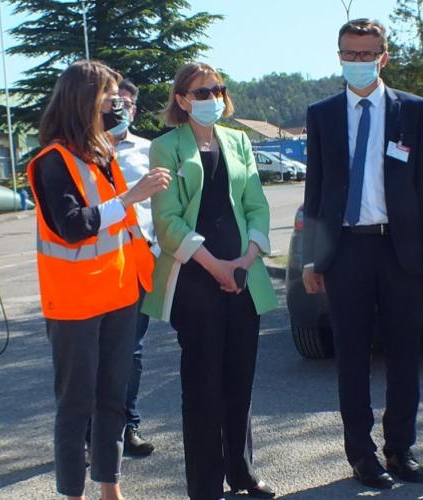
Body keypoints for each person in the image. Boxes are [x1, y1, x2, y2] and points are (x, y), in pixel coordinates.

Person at [300, 18, 423, 489]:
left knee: (405, 354)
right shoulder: (322, 114)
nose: (359, 62)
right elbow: (317, 189)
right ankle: (362, 456)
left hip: (399, 251)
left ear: (383, 57)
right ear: (339, 55)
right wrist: (313, 257)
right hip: (346, 252)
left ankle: (400, 449)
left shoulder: (412, 110)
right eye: (351, 53)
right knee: (351, 356)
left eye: (368, 54)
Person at [26, 60, 169, 500]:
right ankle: (73, 493)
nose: (117, 103)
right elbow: (72, 225)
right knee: (76, 405)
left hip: (121, 293)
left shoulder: (103, 154)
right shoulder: (53, 161)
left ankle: (110, 486)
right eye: (108, 96)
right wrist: (130, 196)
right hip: (74, 304)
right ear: (84, 101)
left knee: (113, 399)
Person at [142, 62, 278, 500]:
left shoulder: (239, 140)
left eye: (217, 89)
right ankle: (205, 486)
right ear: (181, 100)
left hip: (243, 276)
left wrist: (247, 257)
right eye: (201, 92)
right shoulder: (165, 147)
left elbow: (257, 204)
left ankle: (242, 471)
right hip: (195, 281)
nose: (212, 99)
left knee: (240, 380)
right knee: (203, 387)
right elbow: (167, 222)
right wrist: (216, 266)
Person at [111, 79, 157, 457]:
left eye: (126, 103)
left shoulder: (148, 150)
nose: (119, 109)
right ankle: (97, 428)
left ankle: (129, 427)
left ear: (134, 110)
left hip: (139, 263)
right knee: (97, 350)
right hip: (97, 265)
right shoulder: (83, 152)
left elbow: (160, 204)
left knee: (133, 350)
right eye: (113, 103)